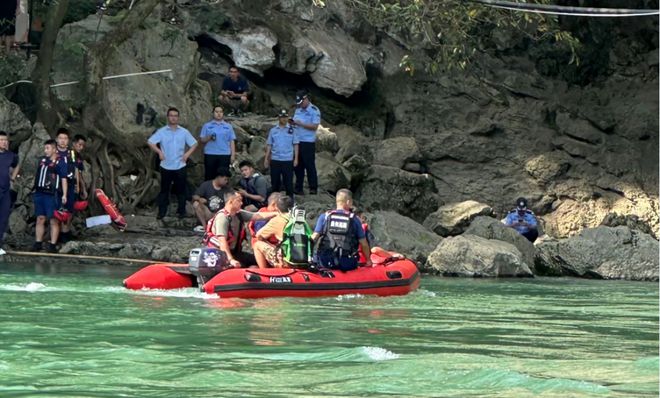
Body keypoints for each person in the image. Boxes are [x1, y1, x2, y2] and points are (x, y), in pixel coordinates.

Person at [203, 190, 277, 268]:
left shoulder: (238, 213)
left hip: (235, 252)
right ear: (230, 202)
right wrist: (231, 260)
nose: (241, 203)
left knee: (260, 260)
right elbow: (222, 242)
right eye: (239, 201)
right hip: (221, 255)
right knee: (243, 266)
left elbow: (257, 216)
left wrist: (276, 213)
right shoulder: (222, 218)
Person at [147, 107, 198, 219]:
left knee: (181, 190)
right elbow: (150, 142)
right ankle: (162, 212)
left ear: (178, 118)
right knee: (164, 190)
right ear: (168, 117)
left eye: (175, 116)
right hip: (166, 165)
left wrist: (187, 155)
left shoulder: (184, 132)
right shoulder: (162, 131)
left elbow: (194, 144)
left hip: (180, 165)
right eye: (171, 115)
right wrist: (159, 152)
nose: (173, 118)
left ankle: (181, 212)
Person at [312, 189, 372, 271]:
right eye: (351, 202)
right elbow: (363, 243)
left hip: (325, 261)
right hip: (347, 263)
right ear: (348, 202)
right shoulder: (354, 219)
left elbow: (314, 238)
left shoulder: (325, 217)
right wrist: (368, 260)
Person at [32, 139, 68, 253]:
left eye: (48, 148)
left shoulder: (60, 162)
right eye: (45, 148)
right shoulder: (42, 160)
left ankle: (52, 245)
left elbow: (63, 179)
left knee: (53, 220)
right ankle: (38, 243)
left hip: (52, 194)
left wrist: (64, 195)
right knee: (40, 218)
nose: (45, 150)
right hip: (39, 193)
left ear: (54, 149)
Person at [265, 109, 299, 199]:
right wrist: (266, 158)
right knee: (275, 182)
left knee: (288, 183)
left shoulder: (292, 130)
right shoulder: (273, 130)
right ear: (279, 118)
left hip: (287, 160)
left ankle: (290, 202)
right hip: (275, 159)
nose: (284, 119)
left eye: (286, 117)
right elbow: (269, 145)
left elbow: (296, 144)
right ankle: (274, 202)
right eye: (282, 117)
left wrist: (296, 159)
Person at [291, 90, 320, 195]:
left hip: (308, 142)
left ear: (306, 99)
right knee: (298, 165)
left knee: (309, 165)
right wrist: (293, 123)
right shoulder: (298, 110)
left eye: (302, 102)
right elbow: (295, 122)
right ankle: (299, 187)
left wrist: (301, 124)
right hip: (297, 141)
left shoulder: (314, 110)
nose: (301, 105)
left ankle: (313, 187)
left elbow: (315, 126)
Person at [253, 195, 293, 268]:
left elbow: (258, 235)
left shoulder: (278, 219)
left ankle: (264, 272)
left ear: (277, 207)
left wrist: (271, 245)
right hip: (301, 256)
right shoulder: (299, 219)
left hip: (286, 259)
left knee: (257, 244)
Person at [199, 106, 236, 181]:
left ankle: (222, 192)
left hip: (224, 154)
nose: (219, 114)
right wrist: (209, 137)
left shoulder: (228, 126)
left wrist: (233, 155)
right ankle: (209, 192)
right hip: (210, 154)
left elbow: (232, 141)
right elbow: (202, 140)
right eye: (216, 112)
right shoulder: (207, 126)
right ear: (213, 113)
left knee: (223, 177)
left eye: (221, 112)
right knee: (209, 176)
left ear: (223, 113)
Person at [55, 128, 78, 243]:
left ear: (68, 140)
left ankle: (66, 235)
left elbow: (76, 169)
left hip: (70, 184)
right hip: (56, 187)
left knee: (69, 211)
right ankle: (56, 236)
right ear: (56, 139)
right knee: (58, 212)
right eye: (60, 138)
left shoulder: (72, 153)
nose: (63, 141)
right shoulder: (54, 153)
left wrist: (79, 185)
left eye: (65, 138)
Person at [191, 168, 231, 232]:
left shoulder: (227, 188)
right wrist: (199, 199)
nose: (226, 182)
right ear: (219, 177)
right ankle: (205, 227)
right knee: (196, 204)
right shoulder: (206, 185)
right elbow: (194, 196)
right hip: (208, 213)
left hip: (220, 215)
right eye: (225, 179)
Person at [0, 131, 18, 255]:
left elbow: (17, 164)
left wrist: (13, 177)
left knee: (3, 219)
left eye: (5, 140)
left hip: (5, 191)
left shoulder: (11, 155)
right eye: (1, 140)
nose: (4, 142)